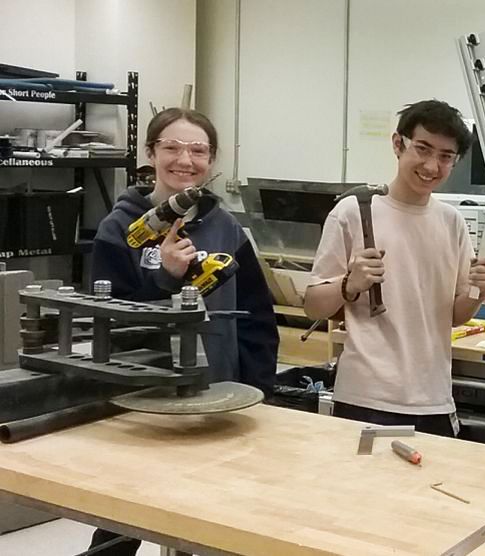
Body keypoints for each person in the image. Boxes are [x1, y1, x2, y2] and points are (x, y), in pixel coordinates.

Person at [89, 108, 279, 555]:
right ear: (151, 153)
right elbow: (110, 321)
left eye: (198, 150)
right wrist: (166, 278)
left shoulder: (226, 227)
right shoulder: (120, 229)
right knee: (125, 517)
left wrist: (257, 389)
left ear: (211, 160)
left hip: (218, 394)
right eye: (172, 147)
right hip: (142, 400)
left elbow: (256, 316)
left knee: (213, 518)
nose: (185, 160)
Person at [305, 99, 485, 436]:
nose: (432, 166)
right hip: (366, 397)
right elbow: (313, 306)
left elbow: (455, 314)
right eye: (422, 149)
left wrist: (479, 290)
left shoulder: (452, 222)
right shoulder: (353, 213)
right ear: (398, 144)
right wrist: (349, 284)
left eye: (445, 156)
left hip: (435, 398)